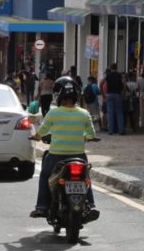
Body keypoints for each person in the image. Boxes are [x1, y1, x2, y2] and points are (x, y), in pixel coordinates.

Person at [29, 77, 99, 223]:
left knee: (44, 176)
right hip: (79, 156)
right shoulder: (84, 113)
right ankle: (91, 206)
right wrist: (85, 137)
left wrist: (36, 136)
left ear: (58, 95)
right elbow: (92, 134)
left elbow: (42, 131)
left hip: (56, 156)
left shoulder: (53, 113)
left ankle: (42, 207)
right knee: (86, 178)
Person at [100, 63, 125, 135]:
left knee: (110, 112)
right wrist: (123, 93)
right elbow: (124, 84)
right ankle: (121, 130)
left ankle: (110, 131)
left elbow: (101, 83)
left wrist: (103, 94)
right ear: (117, 68)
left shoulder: (108, 75)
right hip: (117, 94)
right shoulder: (120, 75)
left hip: (109, 94)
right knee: (119, 113)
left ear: (111, 68)